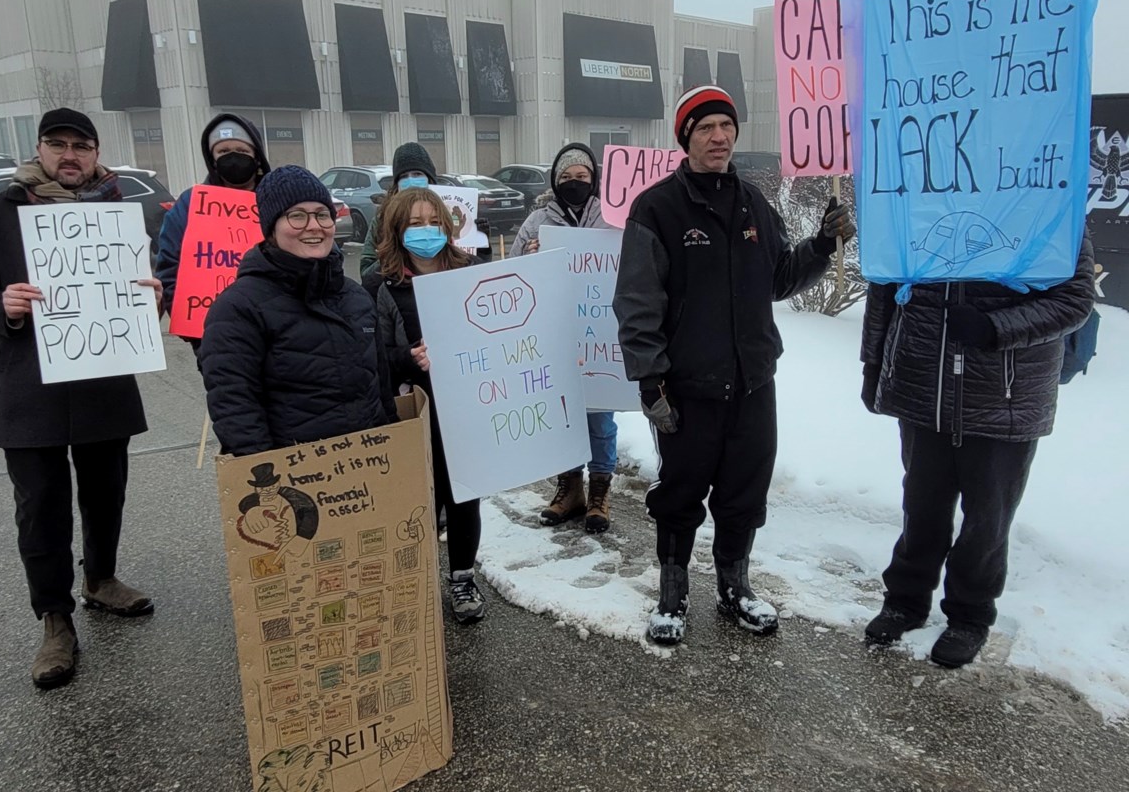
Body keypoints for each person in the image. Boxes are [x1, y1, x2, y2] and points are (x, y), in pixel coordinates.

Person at [612, 86, 855, 645]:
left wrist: (820, 245)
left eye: (726, 127)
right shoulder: (657, 208)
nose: (719, 137)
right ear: (686, 138)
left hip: (752, 382)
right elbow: (637, 301)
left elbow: (778, 280)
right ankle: (672, 595)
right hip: (687, 388)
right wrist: (650, 378)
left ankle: (734, 586)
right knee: (680, 495)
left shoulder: (752, 204)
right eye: (706, 129)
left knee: (744, 493)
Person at [0, 108, 161, 689]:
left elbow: (138, 284)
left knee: (105, 492)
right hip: (30, 388)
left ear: (95, 153)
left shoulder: (116, 214)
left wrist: (151, 295)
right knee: (39, 506)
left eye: (81, 146)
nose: (70, 155)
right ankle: (55, 620)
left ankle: (101, 580)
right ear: (40, 149)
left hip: (103, 379)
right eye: (58, 144)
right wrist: (2, 305)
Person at [860, 233, 1095, 668]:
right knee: (921, 502)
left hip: (1005, 393)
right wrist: (874, 363)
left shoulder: (1043, 204)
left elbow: (1075, 298)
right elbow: (885, 285)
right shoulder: (922, 201)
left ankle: (970, 615)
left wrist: (996, 327)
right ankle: (905, 600)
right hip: (922, 380)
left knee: (988, 515)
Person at [200, 165, 397, 457]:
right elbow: (235, 409)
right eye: (297, 216)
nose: (314, 226)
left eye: (322, 214)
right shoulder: (237, 308)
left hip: (366, 472)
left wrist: (396, 445)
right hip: (299, 480)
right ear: (271, 228)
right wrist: (269, 481)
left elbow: (381, 389)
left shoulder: (355, 296)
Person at [362, 187, 486, 623]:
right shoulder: (381, 285)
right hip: (416, 408)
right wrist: (407, 357)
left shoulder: (470, 271)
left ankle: (462, 577)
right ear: (397, 230)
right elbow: (375, 354)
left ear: (447, 226)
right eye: (415, 223)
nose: (426, 231)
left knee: (462, 494)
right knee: (418, 497)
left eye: (433, 221)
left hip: (465, 405)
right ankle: (414, 578)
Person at [510, 142, 619, 533]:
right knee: (561, 415)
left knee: (599, 418)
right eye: (567, 178)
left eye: (583, 177)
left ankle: (600, 492)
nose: (575, 183)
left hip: (597, 337)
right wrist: (531, 256)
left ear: (595, 179)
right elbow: (512, 276)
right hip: (552, 333)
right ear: (556, 182)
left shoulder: (611, 218)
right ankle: (570, 489)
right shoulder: (538, 220)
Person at [154, 114, 272, 351]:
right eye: (224, 151)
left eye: (241, 150)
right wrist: (192, 325)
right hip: (215, 336)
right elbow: (170, 269)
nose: (233, 157)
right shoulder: (189, 205)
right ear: (212, 159)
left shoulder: (278, 197)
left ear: (257, 156)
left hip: (278, 330)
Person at [358, 143, 439, 277]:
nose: (411, 180)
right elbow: (366, 274)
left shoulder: (449, 212)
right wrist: (393, 254)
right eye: (404, 176)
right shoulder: (382, 219)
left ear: (430, 178)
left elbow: (472, 270)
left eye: (417, 174)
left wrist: (481, 244)